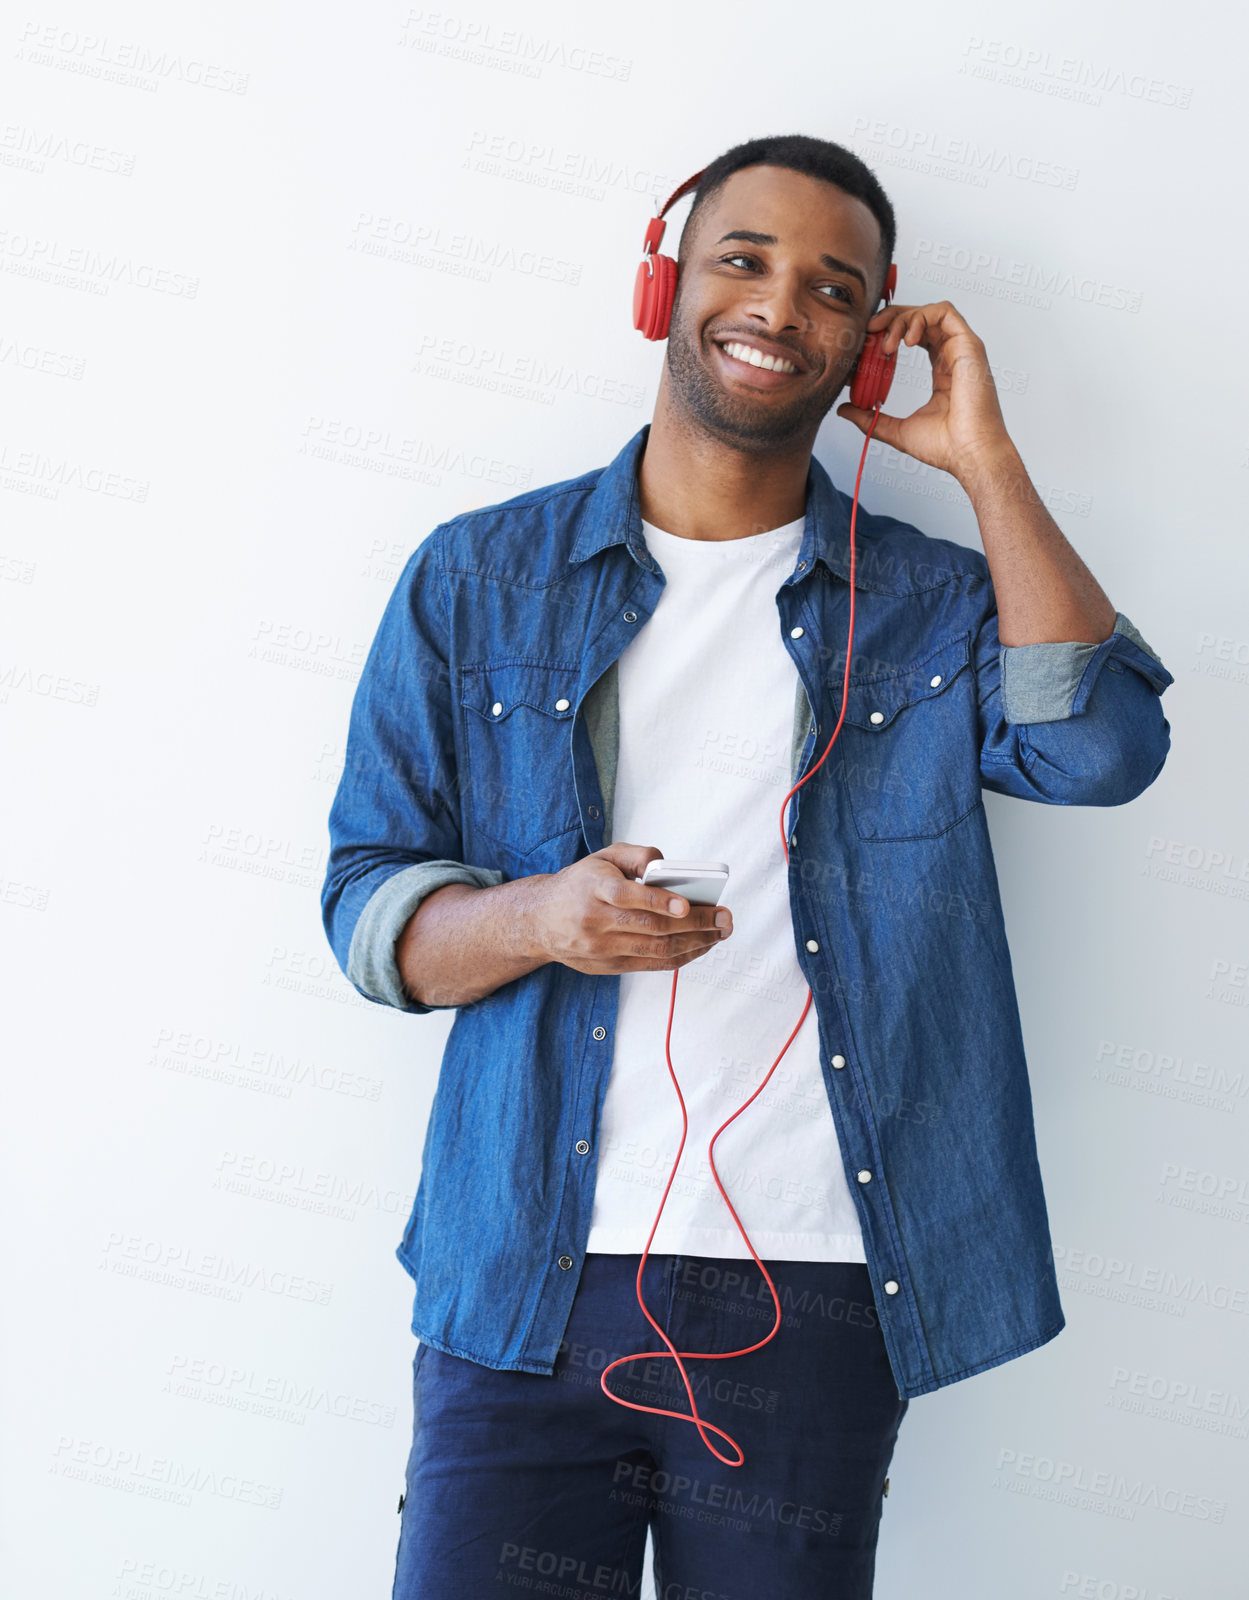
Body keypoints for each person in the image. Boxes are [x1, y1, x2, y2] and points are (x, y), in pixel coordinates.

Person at [321, 132, 1174, 1599]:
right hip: (522, 1278)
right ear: (664, 284)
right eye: (742, 259)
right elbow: (366, 915)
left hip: (821, 1292)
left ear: (865, 342)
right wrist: (542, 917)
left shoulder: (926, 600)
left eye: (831, 287)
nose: (779, 305)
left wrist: (982, 461)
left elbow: (1095, 752)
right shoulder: (475, 579)